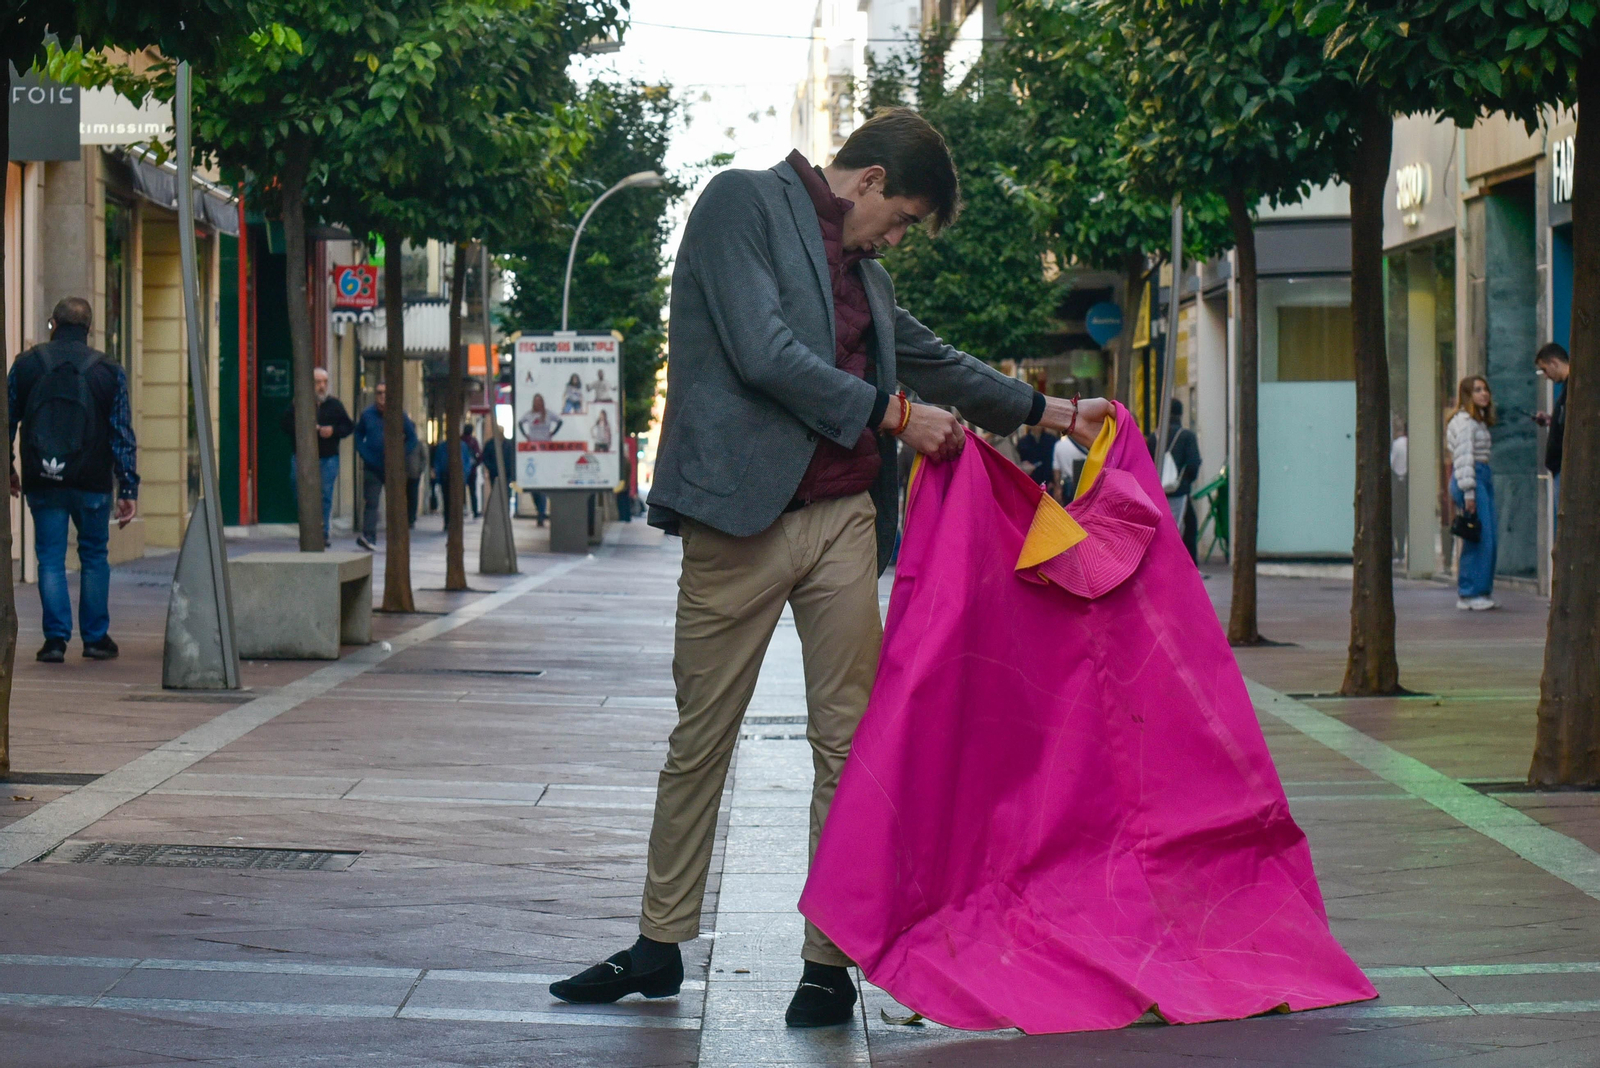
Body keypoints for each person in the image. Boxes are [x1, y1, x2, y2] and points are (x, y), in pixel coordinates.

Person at [548, 107, 1109, 1027]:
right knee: (703, 737)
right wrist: (894, 417)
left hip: (845, 518)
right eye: (905, 220)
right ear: (871, 181)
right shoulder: (741, 203)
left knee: (848, 743)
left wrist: (1050, 414)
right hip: (740, 519)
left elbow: (933, 361)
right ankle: (658, 943)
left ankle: (828, 962)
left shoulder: (870, 280)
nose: (902, 239)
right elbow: (765, 353)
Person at [7, 297, 138, 662]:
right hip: (92, 480)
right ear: (89, 329)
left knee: (49, 557)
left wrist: (10, 468)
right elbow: (121, 431)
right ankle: (95, 638)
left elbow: (7, 420)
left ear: (53, 323)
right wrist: (127, 486)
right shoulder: (107, 370)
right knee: (94, 555)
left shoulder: (27, 365)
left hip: (43, 477)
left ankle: (55, 640)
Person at [280, 366, 353, 545]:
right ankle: (307, 528)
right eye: (318, 382)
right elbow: (284, 423)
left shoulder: (334, 405)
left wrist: (333, 431)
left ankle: (323, 533)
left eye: (324, 382)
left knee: (325, 494)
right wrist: (305, 429)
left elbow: (348, 426)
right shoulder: (299, 404)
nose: (322, 386)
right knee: (298, 488)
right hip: (303, 457)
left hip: (328, 457)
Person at [1446, 375, 1497, 610]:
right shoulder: (1466, 422)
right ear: (1467, 394)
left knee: (1479, 537)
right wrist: (1469, 494)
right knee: (1482, 538)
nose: (1484, 394)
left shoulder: (1475, 421)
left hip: (1479, 477)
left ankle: (1474, 591)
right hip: (1472, 478)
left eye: (1485, 389)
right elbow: (1464, 458)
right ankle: (1471, 592)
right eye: (1477, 390)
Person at [352, 381, 418, 552]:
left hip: (393, 468)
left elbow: (412, 439)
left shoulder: (399, 415)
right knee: (371, 502)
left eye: (385, 393)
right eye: (379, 393)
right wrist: (364, 453)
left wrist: (399, 455)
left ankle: (397, 537)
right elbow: (358, 435)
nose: (382, 396)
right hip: (372, 467)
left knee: (395, 503)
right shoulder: (367, 415)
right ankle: (369, 536)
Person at [1164, 398, 1201, 562]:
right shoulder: (1187, 436)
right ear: (1181, 414)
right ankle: (1188, 568)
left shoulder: (1154, 437)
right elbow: (1194, 463)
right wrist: (1185, 483)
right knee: (1188, 530)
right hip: (1181, 492)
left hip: (1158, 496)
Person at [1533, 342, 1568, 512]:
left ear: (1554, 362)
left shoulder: (1573, 389)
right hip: (1560, 466)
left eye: (1545, 370)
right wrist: (1551, 421)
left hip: (1565, 467)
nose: (1546, 376)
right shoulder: (1567, 390)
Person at [432, 432, 473, 527]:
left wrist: (464, 473)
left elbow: (467, 461)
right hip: (445, 476)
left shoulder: (462, 446)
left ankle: (454, 522)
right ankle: (447, 521)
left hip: (457, 476)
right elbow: (438, 461)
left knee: (455, 501)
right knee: (447, 500)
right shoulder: (443, 447)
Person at [1015, 423, 1059, 489]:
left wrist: (1053, 481)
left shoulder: (1051, 440)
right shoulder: (1023, 442)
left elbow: (1054, 461)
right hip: (1030, 481)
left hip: (1048, 480)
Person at [1051, 427, 1087, 502]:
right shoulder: (1085, 444)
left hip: (1068, 486)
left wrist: (1058, 487)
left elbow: (1056, 469)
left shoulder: (1059, 445)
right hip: (1085, 484)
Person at [462, 423, 483, 518]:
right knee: (472, 491)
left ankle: (462, 509)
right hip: (472, 470)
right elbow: (479, 455)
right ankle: (474, 511)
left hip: (461, 470)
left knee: (460, 491)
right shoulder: (473, 441)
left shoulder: (460, 440)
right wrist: (475, 465)